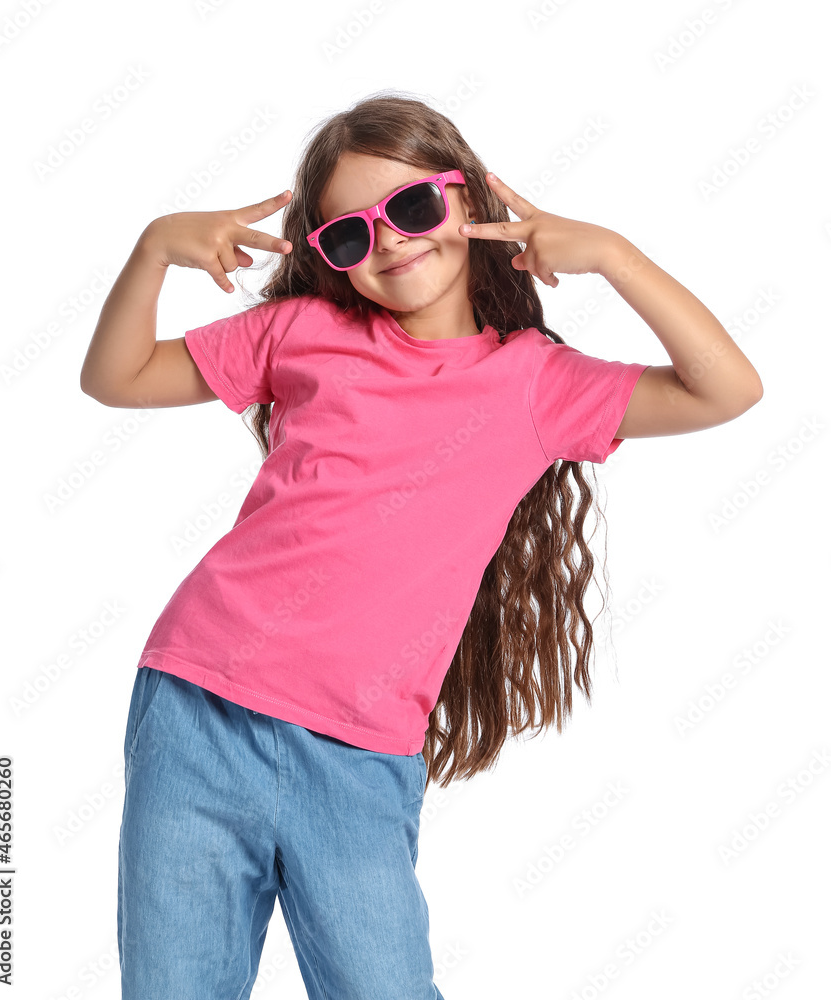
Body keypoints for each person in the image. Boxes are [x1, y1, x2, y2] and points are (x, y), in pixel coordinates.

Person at [80, 91, 763, 999]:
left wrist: (609, 256)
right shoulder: (303, 332)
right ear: (329, 260)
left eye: (411, 207)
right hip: (199, 702)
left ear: (467, 199)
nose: (392, 241)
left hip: (360, 752)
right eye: (350, 235)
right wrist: (153, 249)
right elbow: (115, 379)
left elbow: (728, 391)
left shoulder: (535, 383)